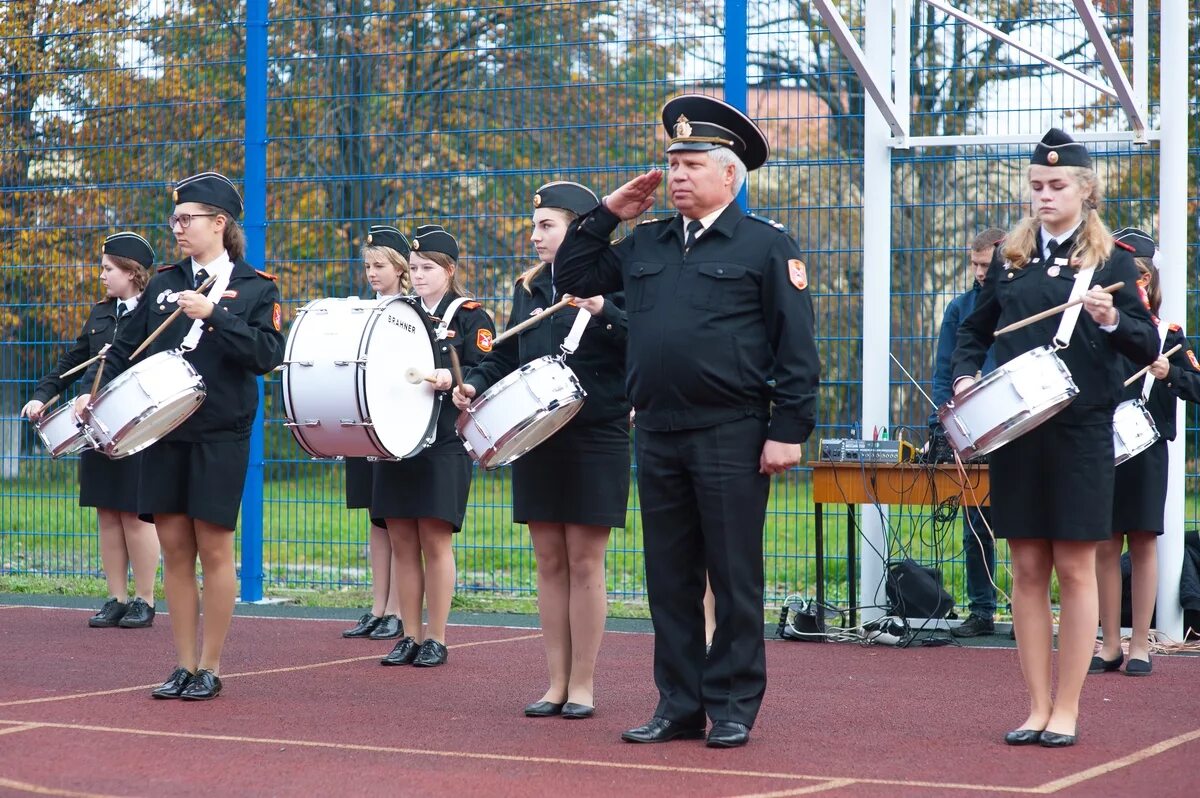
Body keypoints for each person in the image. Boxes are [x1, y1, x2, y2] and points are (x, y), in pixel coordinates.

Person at [554, 94, 820, 748]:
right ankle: (679, 703)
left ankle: (731, 704)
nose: (676, 174)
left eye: (692, 163)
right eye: (672, 162)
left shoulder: (765, 246)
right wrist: (606, 213)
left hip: (733, 431)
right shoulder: (646, 243)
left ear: (730, 175)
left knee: (732, 575)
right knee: (669, 577)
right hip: (661, 431)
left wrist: (789, 430)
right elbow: (575, 271)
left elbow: (797, 347)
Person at [951, 130, 1158, 747]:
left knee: (1074, 565)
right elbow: (974, 330)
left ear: (1086, 190)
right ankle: (1036, 707)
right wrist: (965, 375)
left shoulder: (1115, 262)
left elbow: (1147, 346)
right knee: (1025, 565)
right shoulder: (1012, 258)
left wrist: (1112, 318)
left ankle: (1068, 708)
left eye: (1057, 185)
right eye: (1036, 185)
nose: (1044, 195)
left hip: (1081, 429)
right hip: (1019, 431)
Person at [75, 171, 285, 700]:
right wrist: (93, 390)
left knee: (213, 547)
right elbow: (125, 346)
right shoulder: (166, 282)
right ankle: (183, 664)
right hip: (165, 430)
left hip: (221, 432)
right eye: (174, 219)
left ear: (220, 223)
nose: (178, 228)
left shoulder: (258, 287)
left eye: (187, 219)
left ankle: (210, 666)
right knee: (172, 548)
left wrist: (216, 315)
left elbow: (266, 355)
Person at [453, 181, 629, 719]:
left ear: (579, 229)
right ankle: (554, 682)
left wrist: (603, 310)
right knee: (549, 560)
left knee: (584, 561)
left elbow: (645, 339)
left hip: (596, 432)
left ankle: (583, 685)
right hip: (537, 435)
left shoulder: (622, 277)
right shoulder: (529, 288)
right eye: (535, 226)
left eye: (546, 225)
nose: (534, 237)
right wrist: (475, 384)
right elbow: (507, 355)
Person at [22, 232, 161, 629]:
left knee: (136, 514)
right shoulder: (101, 315)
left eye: (108, 269)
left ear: (132, 273)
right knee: (107, 512)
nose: (102, 275)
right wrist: (43, 395)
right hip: (94, 427)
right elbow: (73, 358)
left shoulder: (154, 314)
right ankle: (116, 597)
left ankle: (145, 599)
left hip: (136, 425)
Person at [376, 224, 495, 668]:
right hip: (396, 440)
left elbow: (487, 368)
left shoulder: (470, 316)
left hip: (445, 439)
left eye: (427, 268)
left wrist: (459, 383)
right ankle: (408, 633)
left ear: (448, 269)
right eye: (415, 267)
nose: (419, 275)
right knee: (403, 539)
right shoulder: (395, 313)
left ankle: (437, 637)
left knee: (435, 538)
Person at [1094, 228, 1200, 677]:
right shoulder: (1098, 329)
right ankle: (1109, 643)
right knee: (1102, 542)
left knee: (1141, 540)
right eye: (1126, 275)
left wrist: (1167, 372)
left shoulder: (1168, 332)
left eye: (1141, 275)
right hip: (1099, 442)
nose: (1134, 284)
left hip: (1147, 446)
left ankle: (1141, 643)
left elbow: (1197, 384)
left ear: (1152, 278)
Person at [929, 228, 1006, 638]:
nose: (979, 273)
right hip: (973, 433)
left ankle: (1034, 611)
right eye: (974, 264)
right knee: (977, 523)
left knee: (1030, 524)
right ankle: (982, 609)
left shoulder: (1016, 301)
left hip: (1018, 426)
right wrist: (942, 425)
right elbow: (946, 369)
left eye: (985, 265)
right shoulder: (960, 309)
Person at [340, 225, 409, 641]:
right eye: (367, 265)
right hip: (364, 424)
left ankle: (399, 610)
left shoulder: (411, 314)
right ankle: (378, 605)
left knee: (398, 518)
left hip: (395, 426)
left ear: (401, 268)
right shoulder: (363, 310)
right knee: (376, 517)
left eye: (380, 265)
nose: (372, 273)